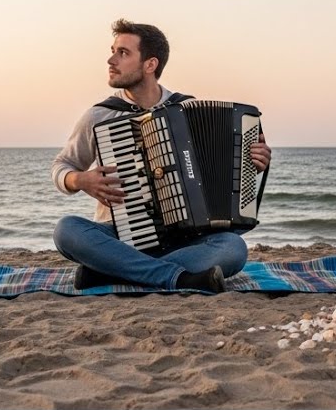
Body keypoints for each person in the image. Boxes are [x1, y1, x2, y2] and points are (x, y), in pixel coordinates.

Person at [52, 19, 272, 292]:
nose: (111, 60)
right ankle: (176, 278)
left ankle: (114, 271)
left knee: (234, 247)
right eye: (113, 51)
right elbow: (62, 166)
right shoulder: (99, 116)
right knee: (66, 230)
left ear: (150, 65)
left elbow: (227, 171)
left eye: (123, 53)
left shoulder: (187, 108)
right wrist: (80, 180)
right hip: (119, 236)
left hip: (184, 238)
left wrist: (254, 162)